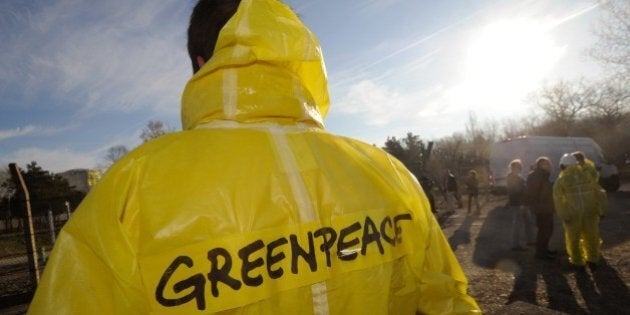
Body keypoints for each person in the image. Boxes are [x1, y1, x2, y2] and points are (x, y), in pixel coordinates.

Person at [28, 1, 480, 314]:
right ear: (295, 59)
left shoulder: (132, 184)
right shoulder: (387, 171)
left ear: (201, 63)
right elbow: (449, 301)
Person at [554, 154, 607, 271]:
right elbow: (599, 192)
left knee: (573, 239)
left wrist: (564, 215)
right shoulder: (586, 175)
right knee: (592, 236)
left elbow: (558, 200)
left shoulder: (561, 180)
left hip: (572, 215)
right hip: (590, 212)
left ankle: (578, 262)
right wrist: (602, 209)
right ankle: (593, 259)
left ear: (562, 166)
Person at [525, 157, 556, 260]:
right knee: (545, 230)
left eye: (548, 164)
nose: (548, 166)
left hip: (544, 207)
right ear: (540, 165)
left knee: (546, 230)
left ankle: (543, 250)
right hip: (542, 208)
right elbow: (535, 193)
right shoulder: (538, 176)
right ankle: (541, 253)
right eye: (545, 164)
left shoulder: (541, 175)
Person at [506, 159, 535, 251]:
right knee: (517, 224)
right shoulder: (512, 178)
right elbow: (516, 192)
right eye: (515, 167)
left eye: (518, 167)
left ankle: (530, 240)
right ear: (512, 168)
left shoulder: (518, 178)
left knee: (528, 222)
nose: (517, 169)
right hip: (517, 204)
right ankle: (515, 245)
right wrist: (522, 203)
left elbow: (523, 190)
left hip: (522, 203)